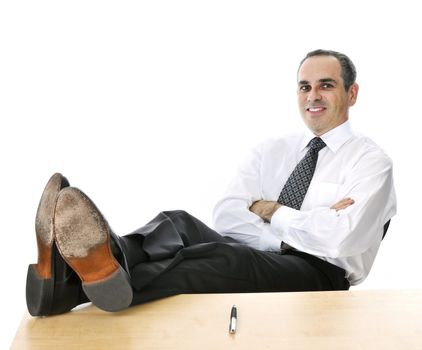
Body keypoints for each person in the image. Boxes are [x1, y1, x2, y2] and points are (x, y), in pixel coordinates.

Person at [26, 49, 396, 316]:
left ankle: (66, 283)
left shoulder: (371, 163)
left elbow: (340, 239)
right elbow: (227, 216)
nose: (313, 96)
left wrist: (271, 210)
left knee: (217, 258)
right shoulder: (273, 150)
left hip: (319, 276)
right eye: (304, 86)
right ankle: (108, 255)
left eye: (326, 85)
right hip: (262, 253)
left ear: (352, 93)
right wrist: (304, 224)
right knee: (179, 222)